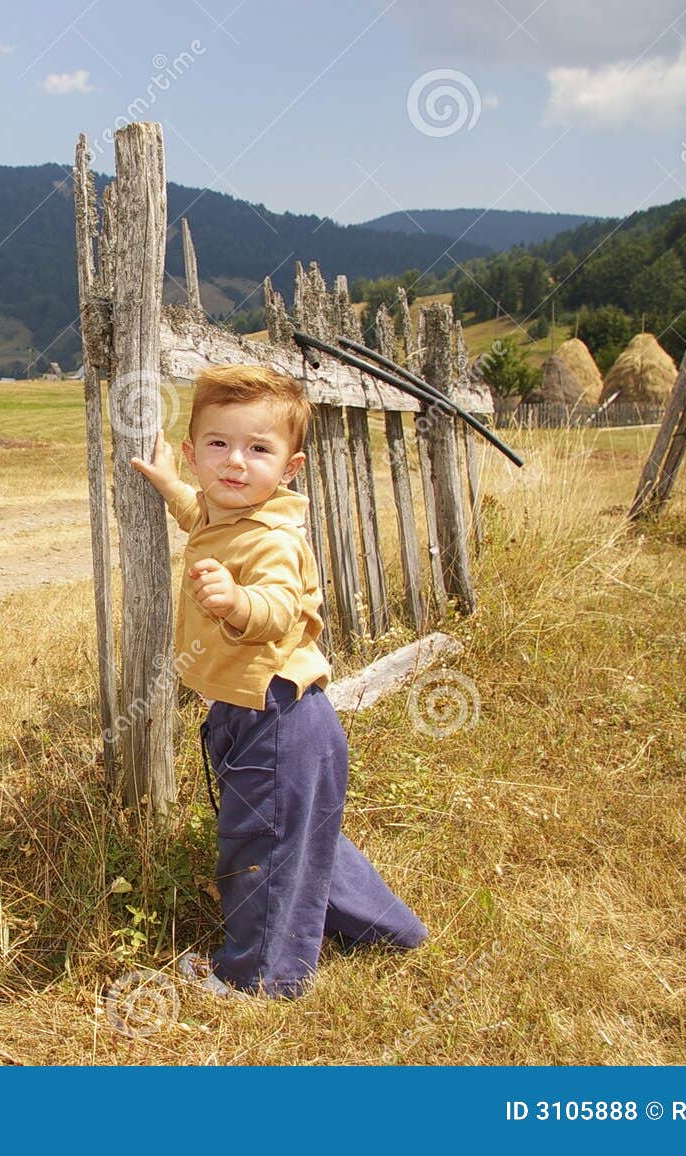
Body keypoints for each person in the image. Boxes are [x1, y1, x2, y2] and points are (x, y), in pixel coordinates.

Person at [128, 364, 428, 999]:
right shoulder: (225, 509)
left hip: (276, 721)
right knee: (305, 833)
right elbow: (199, 516)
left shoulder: (275, 543)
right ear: (193, 452)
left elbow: (278, 611)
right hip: (271, 717)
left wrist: (236, 602)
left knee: (260, 847)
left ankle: (258, 978)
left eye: (258, 449)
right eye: (218, 445)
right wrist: (169, 486)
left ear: (290, 468)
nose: (235, 462)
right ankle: (387, 930)